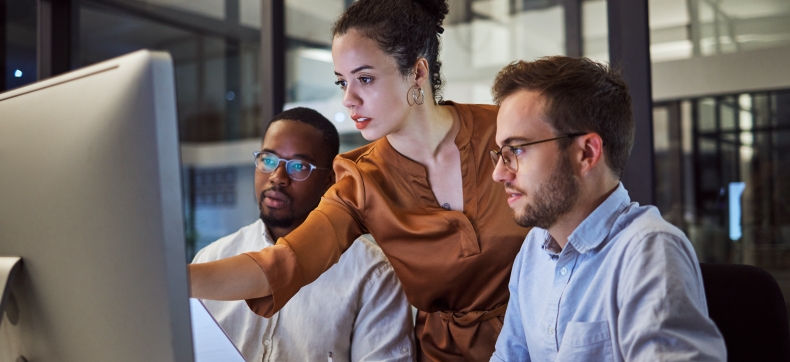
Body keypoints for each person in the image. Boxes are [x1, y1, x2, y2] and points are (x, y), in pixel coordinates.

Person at [189, 0, 530, 360]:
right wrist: (175, 280)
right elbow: (283, 264)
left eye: (364, 79)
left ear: (417, 72)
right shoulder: (361, 180)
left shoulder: (504, 131)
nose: (349, 100)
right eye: (342, 82)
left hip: (547, 342)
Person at [488, 56, 727, 361]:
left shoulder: (649, 253)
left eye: (517, 150)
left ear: (587, 152)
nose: (499, 173)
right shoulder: (533, 251)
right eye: (500, 153)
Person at [192, 107, 415, 362]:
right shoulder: (211, 259)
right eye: (268, 160)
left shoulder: (372, 273)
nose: (277, 177)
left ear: (330, 180)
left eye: (299, 166)